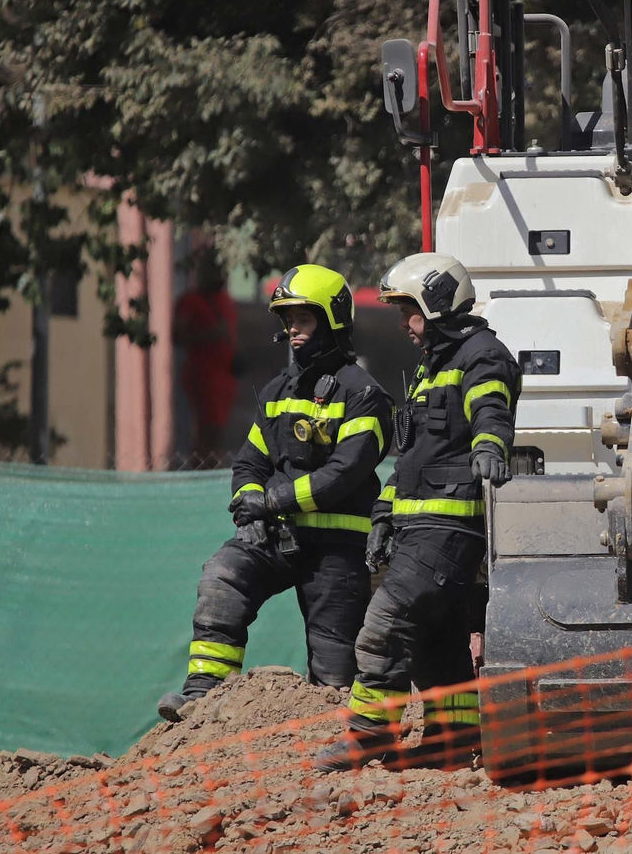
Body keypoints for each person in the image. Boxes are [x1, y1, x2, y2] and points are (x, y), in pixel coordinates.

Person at [156, 264, 394, 722]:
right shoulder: (276, 392)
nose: (293, 330)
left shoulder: (364, 395)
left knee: (335, 676)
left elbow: (343, 474)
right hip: (276, 538)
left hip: (338, 549)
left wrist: (270, 502)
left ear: (332, 320)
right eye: (288, 321)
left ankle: (331, 737)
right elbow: (250, 463)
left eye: (303, 319)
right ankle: (202, 697)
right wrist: (250, 510)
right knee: (222, 578)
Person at [316, 253, 521, 772]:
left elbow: (491, 409)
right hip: (420, 526)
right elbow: (411, 458)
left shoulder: (482, 355)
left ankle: (369, 735)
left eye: (409, 311)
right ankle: (453, 739)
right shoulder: (433, 367)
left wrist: (490, 445)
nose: (404, 324)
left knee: (385, 625)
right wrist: (384, 515)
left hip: (450, 527)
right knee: (437, 640)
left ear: (436, 303)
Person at [173, 251, 239, 467]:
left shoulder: (226, 301)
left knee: (218, 432)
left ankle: (213, 467)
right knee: (206, 432)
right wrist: (208, 335)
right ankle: (202, 471)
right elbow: (177, 336)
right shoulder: (190, 301)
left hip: (225, 376)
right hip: (203, 376)